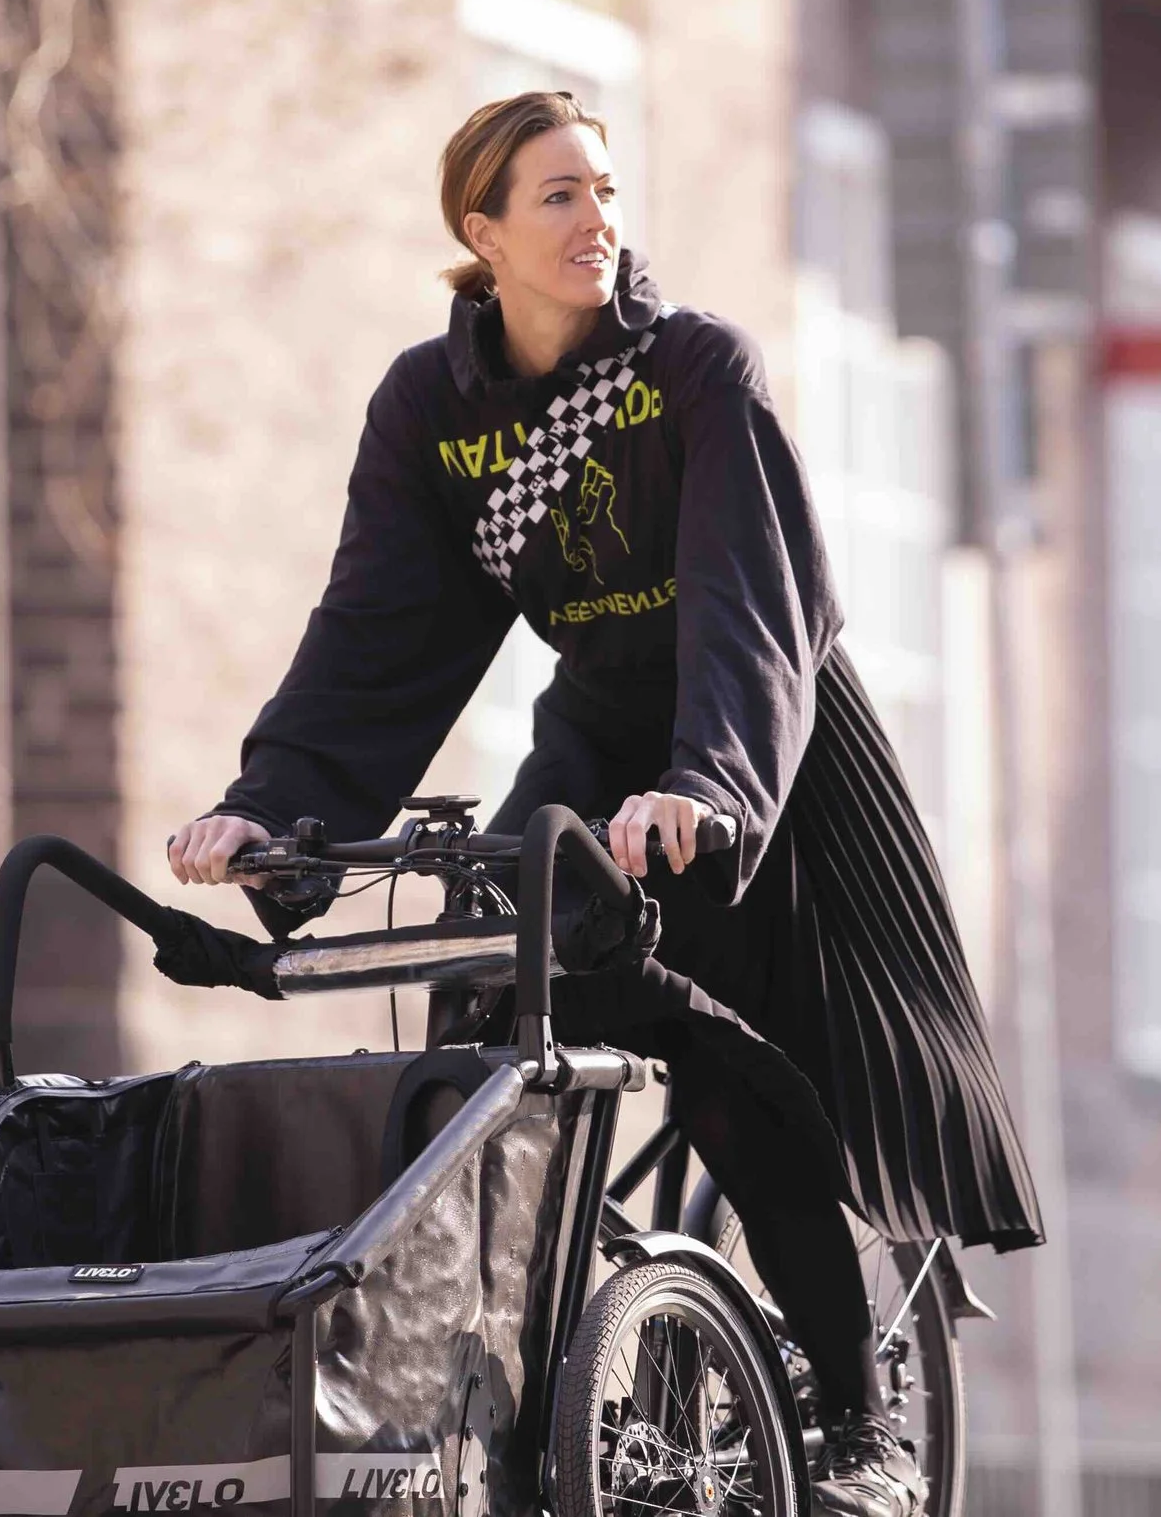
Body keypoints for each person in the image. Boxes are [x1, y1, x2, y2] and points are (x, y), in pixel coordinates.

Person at [167, 91, 1042, 1517]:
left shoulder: (694, 370)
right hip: (600, 733)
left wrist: (708, 787)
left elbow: (754, 610)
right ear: (481, 231)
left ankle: (859, 1417)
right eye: (559, 197)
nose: (596, 222)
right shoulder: (433, 411)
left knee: (729, 1064)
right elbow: (375, 634)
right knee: (479, 1016)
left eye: (606, 191)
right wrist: (270, 813)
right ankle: (529, 1365)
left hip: (764, 750)